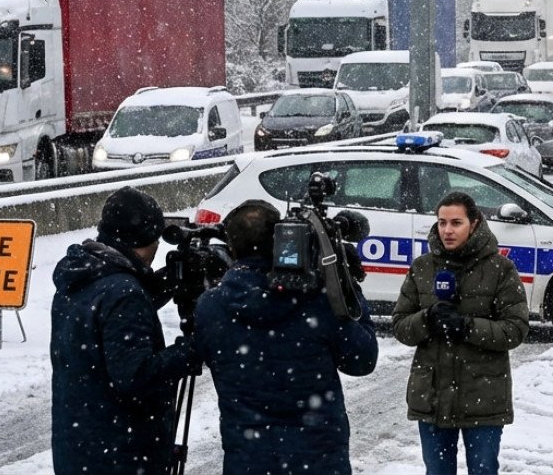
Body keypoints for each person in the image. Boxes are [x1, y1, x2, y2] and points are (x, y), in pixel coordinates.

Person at [193, 200, 380, 475]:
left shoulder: (211, 306)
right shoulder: (317, 300)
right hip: (319, 460)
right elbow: (362, 360)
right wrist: (344, 283)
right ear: (284, 241)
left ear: (231, 247)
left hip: (248, 460)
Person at [50, 186, 197, 475]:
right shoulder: (124, 293)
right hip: (121, 454)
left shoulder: (83, 274)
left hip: (82, 446)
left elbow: (108, 316)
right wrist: (192, 350)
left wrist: (166, 282)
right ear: (147, 240)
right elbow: (135, 377)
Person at [393, 192, 530, 475]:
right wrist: (427, 319)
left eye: (456, 223)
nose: (447, 230)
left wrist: (466, 327)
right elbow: (401, 327)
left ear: (475, 223)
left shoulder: (500, 269)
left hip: (483, 395)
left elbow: (515, 330)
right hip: (431, 396)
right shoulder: (422, 268)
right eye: (442, 223)